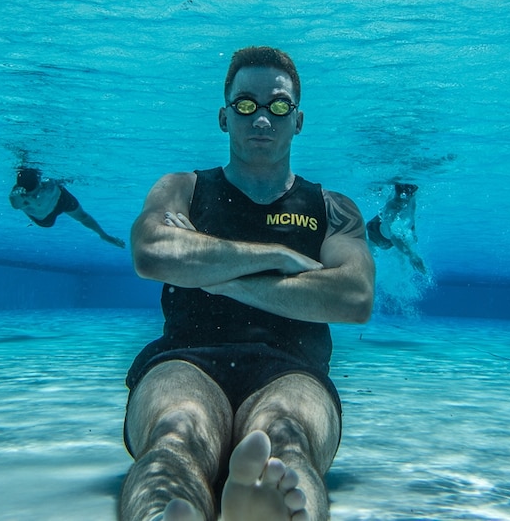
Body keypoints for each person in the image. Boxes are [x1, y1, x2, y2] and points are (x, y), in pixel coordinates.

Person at [121, 46, 375, 521]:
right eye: (246, 104)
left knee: (287, 439)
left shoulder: (332, 208)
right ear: (224, 116)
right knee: (176, 432)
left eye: (278, 105)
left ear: (298, 120)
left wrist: (217, 275)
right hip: (185, 359)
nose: (262, 118)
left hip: (293, 368)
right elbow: (151, 253)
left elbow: (355, 296)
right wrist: (276, 257)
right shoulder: (182, 188)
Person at [9, 167, 125, 247]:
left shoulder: (49, 184)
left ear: (39, 182)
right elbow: (15, 204)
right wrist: (21, 198)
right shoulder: (18, 197)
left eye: (35, 192)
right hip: (45, 219)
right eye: (30, 195)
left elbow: (62, 181)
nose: (34, 196)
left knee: (83, 217)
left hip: (61, 199)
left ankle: (104, 236)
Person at [365, 182, 429, 275]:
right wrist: (412, 255)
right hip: (378, 235)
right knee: (371, 249)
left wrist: (413, 231)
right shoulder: (393, 209)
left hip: (385, 225)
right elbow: (394, 237)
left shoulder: (411, 200)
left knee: (400, 252)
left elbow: (411, 217)